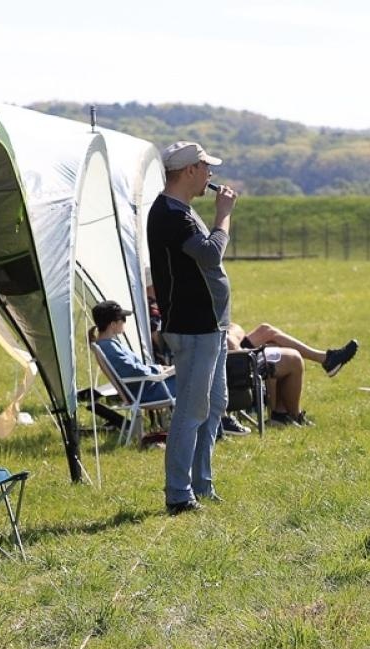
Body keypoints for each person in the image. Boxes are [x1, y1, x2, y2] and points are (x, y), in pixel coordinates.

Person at [147, 141, 235, 515]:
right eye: (206, 168)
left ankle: (201, 484)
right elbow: (210, 252)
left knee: (215, 404)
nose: (210, 175)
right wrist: (224, 215)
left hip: (209, 326)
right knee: (191, 409)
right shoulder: (172, 215)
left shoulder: (179, 210)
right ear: (190, 171)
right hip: (194, 327)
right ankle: (179, 496)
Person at [228, 322, 358, 426]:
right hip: (233, 365)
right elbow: (230, 341)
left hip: (230, 354)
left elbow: (234, 328)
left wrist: (230, 331)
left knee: (266, 331)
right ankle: (289, 415)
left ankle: (326, 359)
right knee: (284, 355)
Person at [88, 301, 174, 405]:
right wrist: (159, 369)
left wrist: (162, 369)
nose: (125, 322)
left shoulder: (106, 345)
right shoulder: (108, 347)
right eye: (123, 319)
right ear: (113, 324)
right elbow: (133, 370)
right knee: (193, 378)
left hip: (146, 388)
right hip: (147, 393)